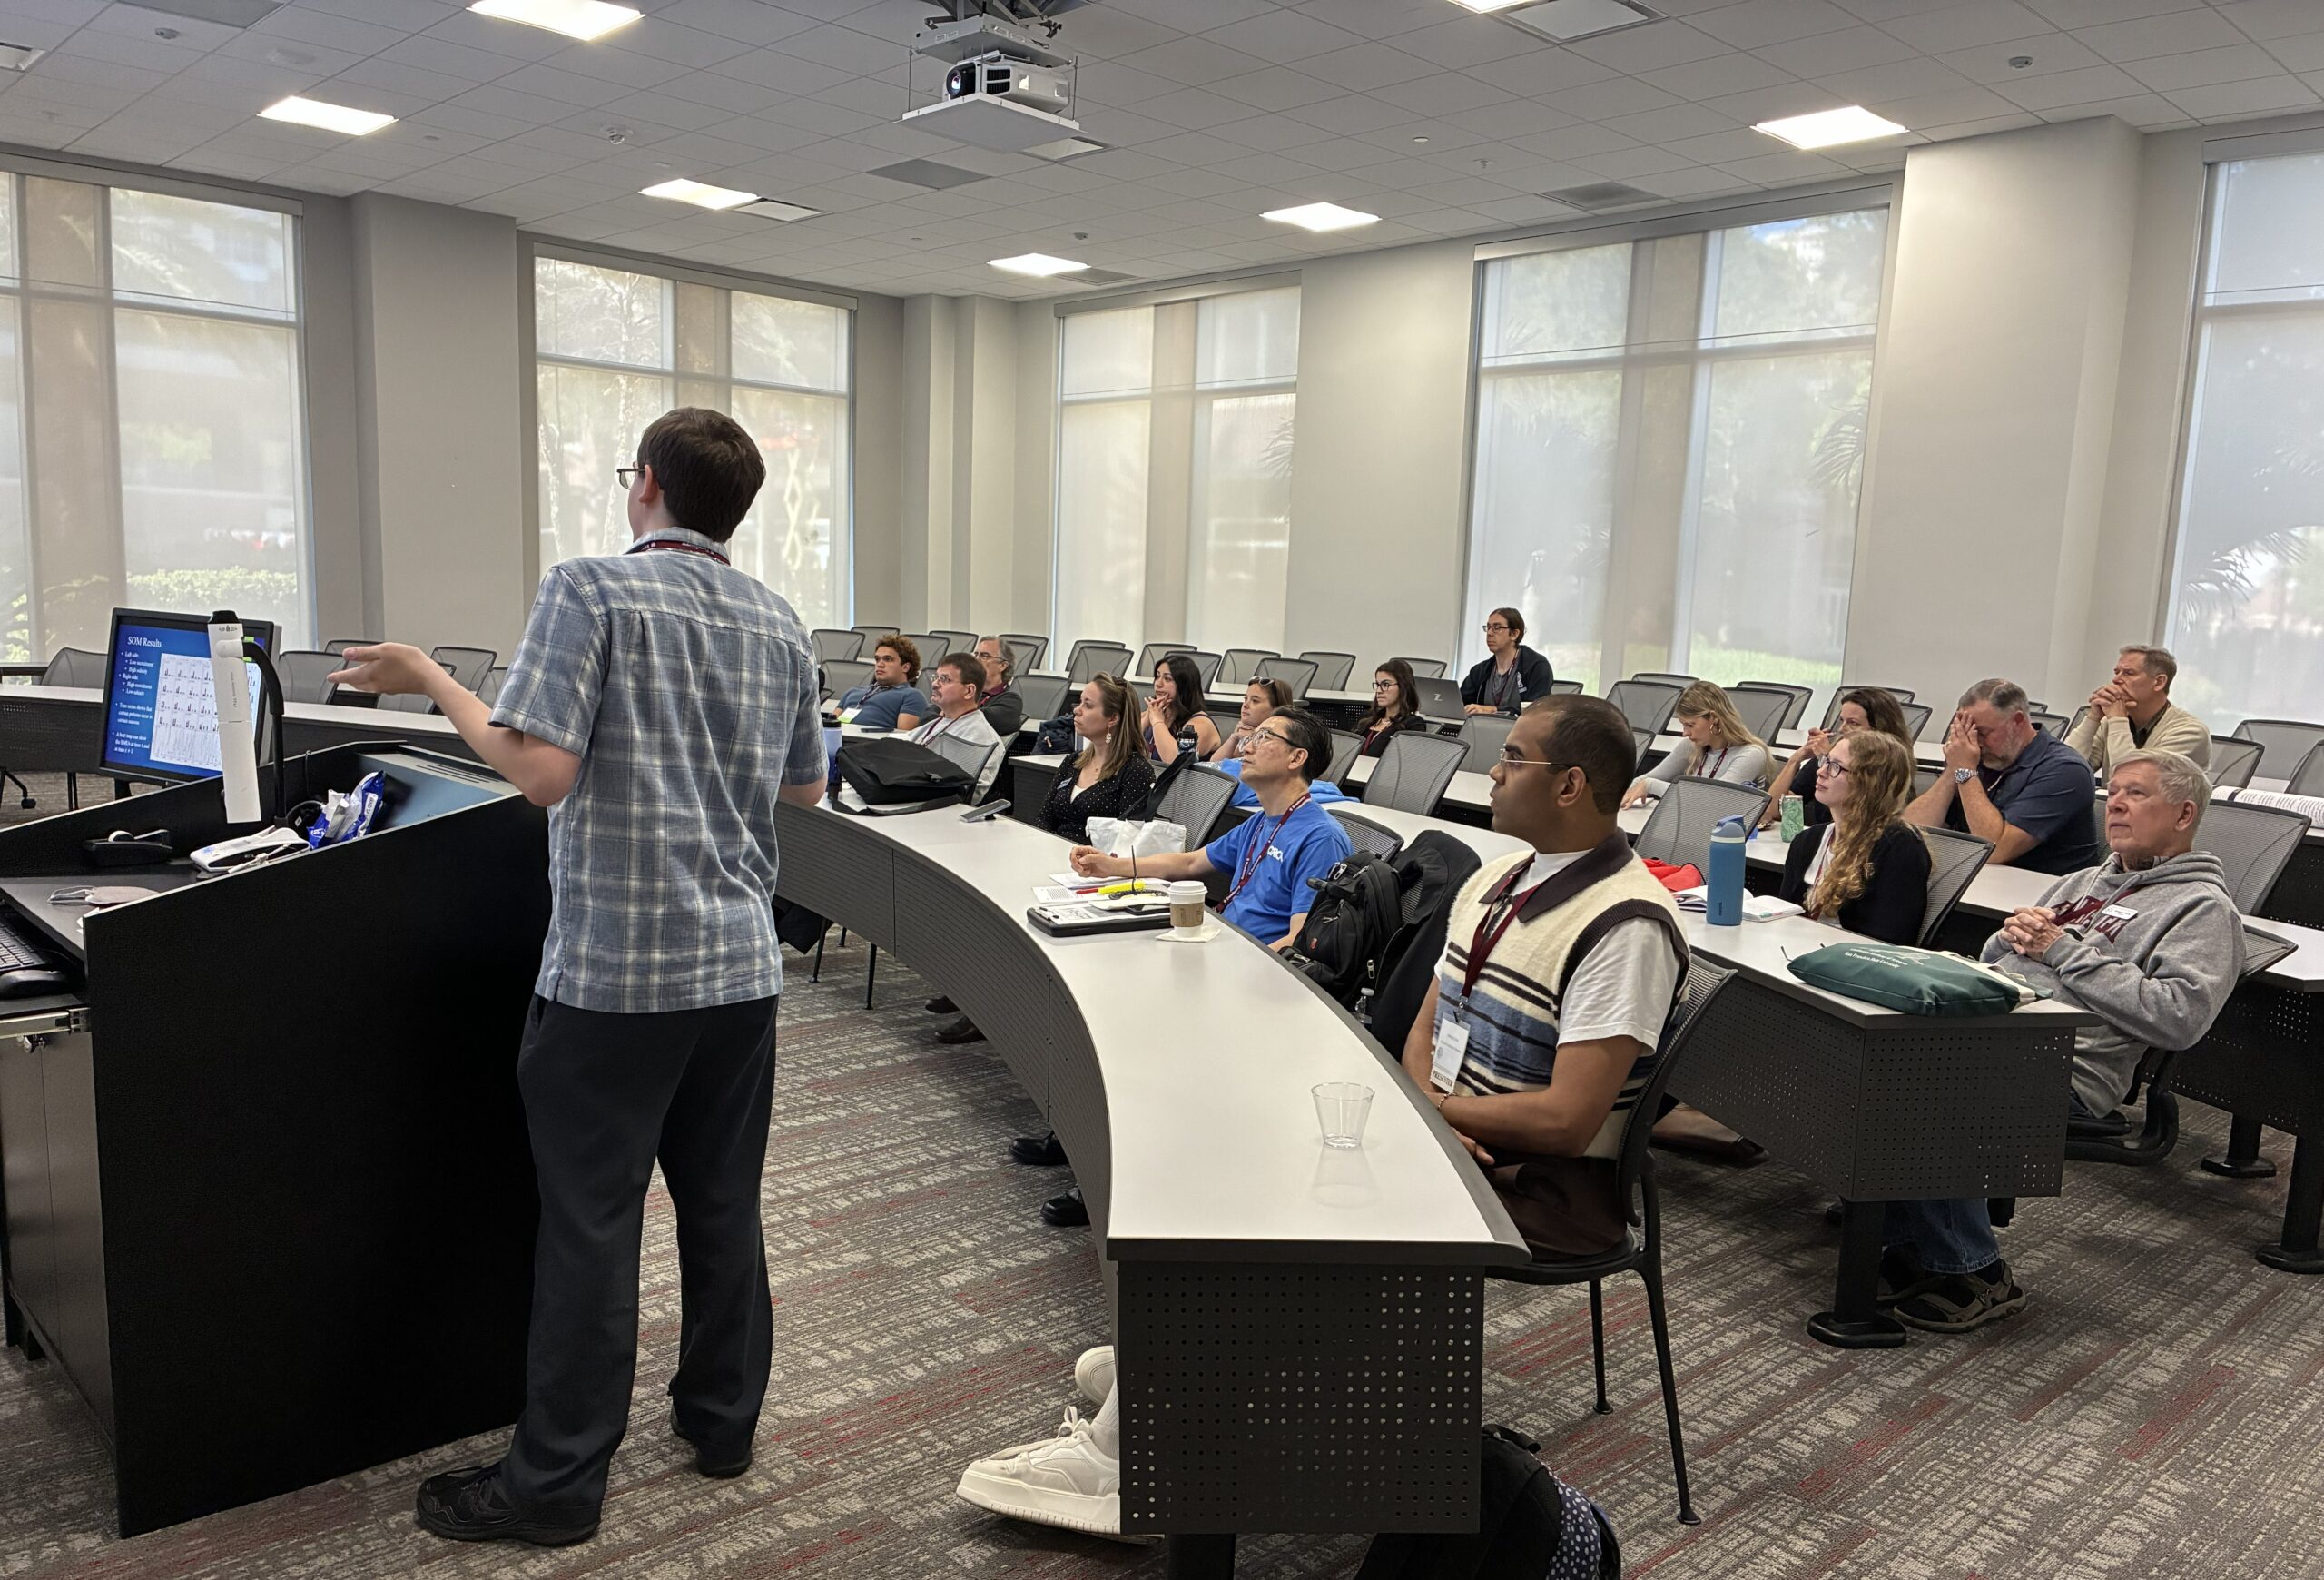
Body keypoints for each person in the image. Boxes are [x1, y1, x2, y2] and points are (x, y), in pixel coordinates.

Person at [330, 409, 828, 1546]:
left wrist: (429, 678)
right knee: (721, 1202)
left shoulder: (591, 589)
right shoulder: (776, 617)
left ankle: (554, 1485)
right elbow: (802, 790)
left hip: (616, 975)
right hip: (739, 966)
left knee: (592, 1226)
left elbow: (540, 772)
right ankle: (722, 1423)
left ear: (645, 483)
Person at [1881, 749, 2242, 1334]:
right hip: (1996, 1035)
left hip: (2066, 1068)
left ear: (2184, 814)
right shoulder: (2083, 881)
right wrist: (2008, 939)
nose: (2116, 804)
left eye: (2136, 794)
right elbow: (2005, 963)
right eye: (2113, 792)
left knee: (1932, 1086)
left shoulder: (2201, 908)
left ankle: (1976, 1273)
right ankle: (1905, 1241)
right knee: (1874, 1056)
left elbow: (2179, 1017)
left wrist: (2063, 950)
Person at [1405, 693, 1687, 1259]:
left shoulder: (1626, 926)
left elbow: (1565, 1123)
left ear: (1568, 786)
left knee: (1328, 1200)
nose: (1494, 772)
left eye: (1512, 758)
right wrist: (1430, 1113)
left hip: (1541, 1189)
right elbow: (1423, 1029)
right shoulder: (1497, 876)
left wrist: (1432, 1113)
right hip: (1454, 1139)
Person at [1069, 707, 1351, 951]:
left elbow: (1300, 941)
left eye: (1263, 738)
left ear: (1296, 758)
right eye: (1250, 738)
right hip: (1226, 942)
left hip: (1256, 966)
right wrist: (1110, 866)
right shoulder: (1261, 821)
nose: (1246, 748)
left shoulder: (1320, 838)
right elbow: (1190, 863)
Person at [1905, 678, 2100, 875]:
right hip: (1978, 878)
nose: (1975, 742)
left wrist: (1965, 770)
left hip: (2042, 887)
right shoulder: (1971, 757)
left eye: (1982, 732)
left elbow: (1995, 849)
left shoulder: (2065, 770)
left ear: (2018, 721)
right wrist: (1953, 770)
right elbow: (1911, 832)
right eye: (1966, 732)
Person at [1777, 732, 1932, 946]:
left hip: (1851, 961)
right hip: (1795, 952)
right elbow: (1783, 916)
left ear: (1870, 782)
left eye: (1836, 767)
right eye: (1825, 761)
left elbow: (1888, 940)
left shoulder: (1899, 845)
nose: (1821, 772)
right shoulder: (1807, 840)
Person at [1760, 687, 1915, 832]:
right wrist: (1795, 760)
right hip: (1823, 842)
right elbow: (1773, 811)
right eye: (1842, 720)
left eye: (1853, 723)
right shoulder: (1827, 760)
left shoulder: (1891, 770)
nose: (1842, 729)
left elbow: (1857, 822)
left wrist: (1826, 758)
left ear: (1879, 729)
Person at [2065, 644, 2210, 777]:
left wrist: (2117, 720)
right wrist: (2093, 718)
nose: (2116, 680)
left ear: (2159, 682)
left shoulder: (2190, 731)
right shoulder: (2108, 723)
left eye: (2129, 673)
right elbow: (2064, 769)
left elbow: (2130, 778)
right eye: (2117, 672)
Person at [1620, 681, 1770, 808]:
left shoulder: (1751, 754)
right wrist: (1621, 797)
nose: (1685, 733)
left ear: (1714, 718)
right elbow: (1644, 780)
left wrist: (1651, 785)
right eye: (1683, 725)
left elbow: (1714, 800)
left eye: (1690, 725)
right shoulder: (1691, 745)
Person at [908, 651, 1003, 799]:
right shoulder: (932, 725)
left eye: (944, 679)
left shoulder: (982, 738)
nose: (935, 684)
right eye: (936, 677)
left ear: (969, 691)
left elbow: (966, 795)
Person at [1461, 606, 1555, 716]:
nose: (1489, 633)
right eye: (1488, 627)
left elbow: (1536, 710)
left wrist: (1494, 710)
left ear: (1514, 634)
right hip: (1483, 725)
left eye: (1497, 628)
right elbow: (1460, 702)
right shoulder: (1480, 670)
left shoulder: (1536, 666)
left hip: (1521, 726)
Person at [1143, 652, 1221, 765]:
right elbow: (1120, 749)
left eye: (1167, 679)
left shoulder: (1201, 724)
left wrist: (1157, 722)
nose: (1158, 684)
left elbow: (1175, 761)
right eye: (1157, 676)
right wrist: (1145, 721)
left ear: (1184, 685)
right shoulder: (1155, 713)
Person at [836, 636, 927, 732]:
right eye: (877, 659)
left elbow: (903, 737)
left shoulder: (911, 696)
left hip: (868, 741)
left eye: (888, 659)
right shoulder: (853, 691)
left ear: (905, 667)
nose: (880, 664)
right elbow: (831, 726)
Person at [1356, 658, 1431, 757]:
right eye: (1378, 685)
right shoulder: (1366, 717)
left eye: (1386, 684)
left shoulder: (1413, 725)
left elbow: (1406, 761)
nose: (1379, 690)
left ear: (1403, 687)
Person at [1208, 676, 1292, 763]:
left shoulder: (1280, 741)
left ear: (1277, 709)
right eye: (1245, 699)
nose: (1245, 705)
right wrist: (1234, 737)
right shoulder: (1244, 731)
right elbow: (1213, 764)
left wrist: (1255, 737)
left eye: (1255, 701)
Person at [973, 636, 1026, 739]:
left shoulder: (1010, 701)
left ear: (1003, 665)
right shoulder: (967, 692)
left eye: (985, 656)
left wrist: (952, 709)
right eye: (976, 655)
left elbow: (982, 719)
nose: (976, 660)